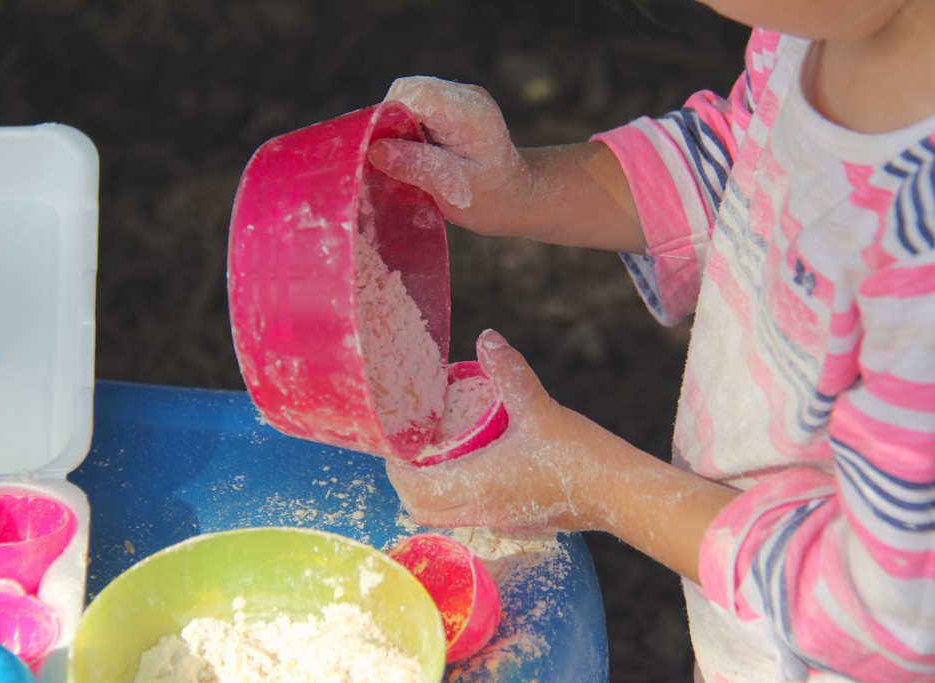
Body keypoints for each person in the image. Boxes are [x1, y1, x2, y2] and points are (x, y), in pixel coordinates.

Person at [368, 1, 935, 681]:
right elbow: (743, 161)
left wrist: (596, 483)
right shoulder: (815, 32)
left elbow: (889, 606)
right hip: (753, 621)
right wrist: (525, 190)